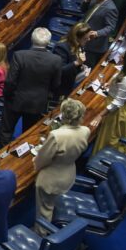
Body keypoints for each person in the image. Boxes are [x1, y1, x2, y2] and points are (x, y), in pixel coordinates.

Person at [33, 99, 89, 235]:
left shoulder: (57, 135)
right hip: (68, 173)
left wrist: (35, 161)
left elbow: (43, 159)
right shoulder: (85, 130)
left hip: (50, 179)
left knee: (44, 209)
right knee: (53, 202)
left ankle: (40, 235)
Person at [0, 28, 61, 146]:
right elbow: (56, 84)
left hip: (15, 100)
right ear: (48, 42)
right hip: (37, 103)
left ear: (31, 40)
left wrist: (7, 96)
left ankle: (2, 156)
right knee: (28, 134)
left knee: (6, 131)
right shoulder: (56, 60)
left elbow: (10, 81)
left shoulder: (19, 55)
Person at [93, 50, 126, 154]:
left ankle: (104, 161)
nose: (120, 57)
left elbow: (117, 102)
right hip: (120, 106)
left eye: (122, 57)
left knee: (110, 140)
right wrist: (111, 85)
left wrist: (100, 115)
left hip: (118, 113)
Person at [80, 0, 119, 68]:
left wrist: (97, 33)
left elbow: (110, 27)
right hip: (82, 38)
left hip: (93, 45)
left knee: (85, 69)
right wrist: (87, 0)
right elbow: (83, 10)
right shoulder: (94, 0)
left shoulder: (111, 8)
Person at [56, 23, 92, 97]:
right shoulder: (61, 48)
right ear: (76, 38)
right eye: (85, 38)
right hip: (60, 86)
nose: (89, 39)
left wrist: (81, 67)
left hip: (71, 81)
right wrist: (77, 63)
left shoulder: (79, 44)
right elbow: (60, 71)